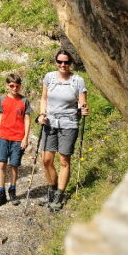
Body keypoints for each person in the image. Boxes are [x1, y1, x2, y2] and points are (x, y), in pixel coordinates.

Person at [37, 49, 88, 211]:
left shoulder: (78, 81)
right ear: (56, 62)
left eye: (66, 62)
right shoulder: (49, 77)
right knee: (46, 160)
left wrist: (84, 109)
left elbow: (82, 103)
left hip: (69, 123)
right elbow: (44, 98)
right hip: (50, 122)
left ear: (70, 63)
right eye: (60, 61)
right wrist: (41, 114)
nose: (63, 65)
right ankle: (51, 189)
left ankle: (59, 194)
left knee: (64, 161)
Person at [0, 73, 31, 207]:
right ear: (7, 86)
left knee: (14, 165)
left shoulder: (24, 101)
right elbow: (1, 116)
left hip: (18, 138)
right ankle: (1, 193)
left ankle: (12, 191)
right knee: (1, 164)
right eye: (11, 86)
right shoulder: (2, 99)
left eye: (17, 86)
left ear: (20, 86)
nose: (14, 88)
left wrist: (25, 137)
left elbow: (27, 119)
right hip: (3, 136)